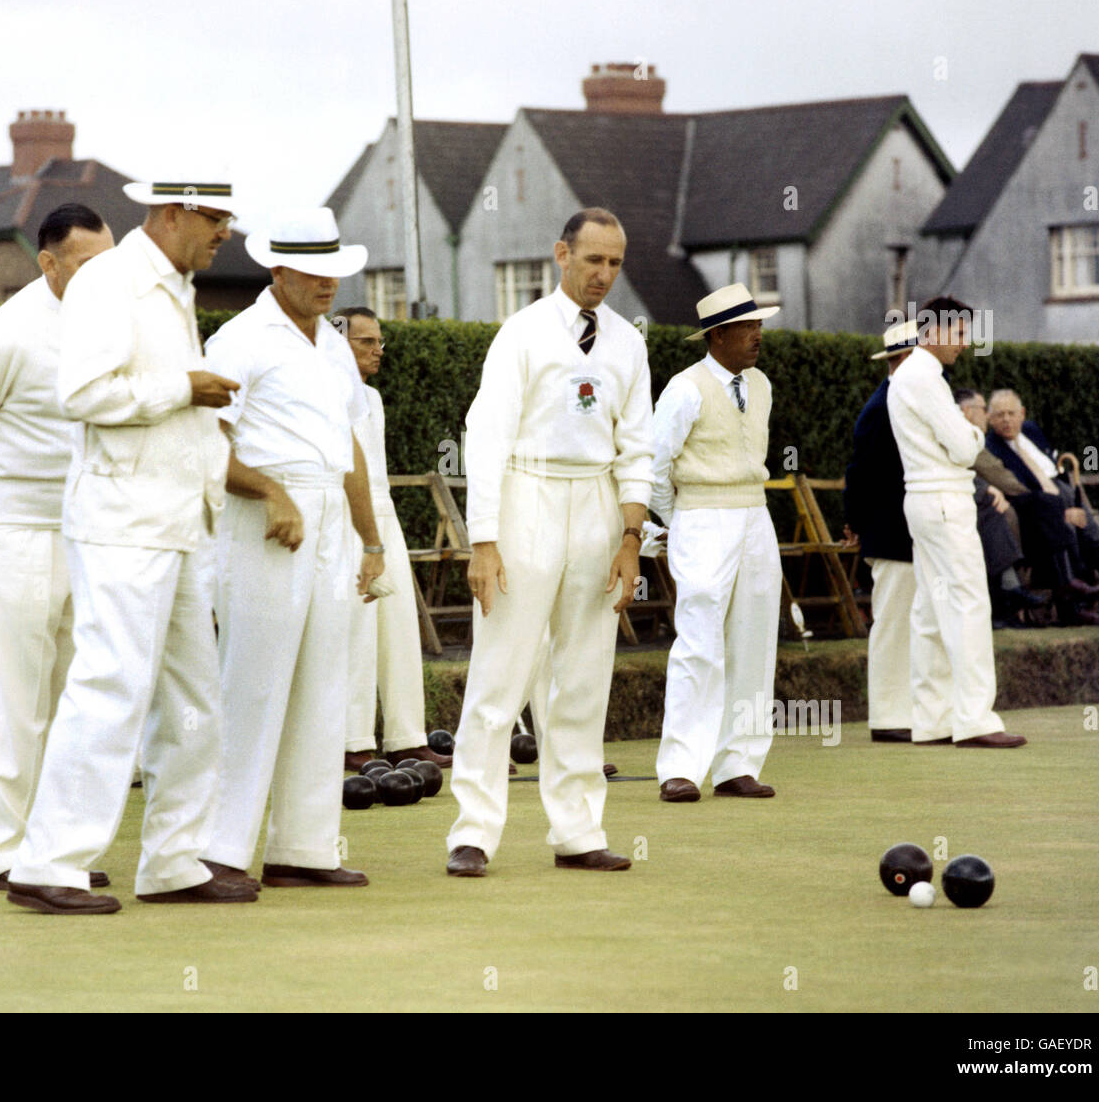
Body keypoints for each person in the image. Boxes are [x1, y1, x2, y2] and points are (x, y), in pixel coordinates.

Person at [6, 180, 256, 913]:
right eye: (214, 219)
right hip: (120, 521)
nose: (223, 234)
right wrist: (184, 387)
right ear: (173, 211)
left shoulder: (172, 284)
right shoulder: (109, 282)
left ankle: (173, 861)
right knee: (110, 685)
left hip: (177, 523)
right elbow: (81, 393)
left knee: (192, 700)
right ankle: (49, 862)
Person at [445, 207, 653, 877]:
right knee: (500, 673)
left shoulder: (628, 342)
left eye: (615, 263)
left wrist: (630, 538)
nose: (604, 274)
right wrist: (484, 540)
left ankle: (578, 830)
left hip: (595, 504)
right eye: (593, 259)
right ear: (562, 253)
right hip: (525, 496)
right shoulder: (523, 333)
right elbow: (487, 436)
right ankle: (473, 831)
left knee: (583, 678)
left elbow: (638, 445)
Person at [0, 203, 114, 889]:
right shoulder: (2, 337)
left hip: (88, 532)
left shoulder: (110, 328)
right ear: (49, 263)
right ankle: (7, 854)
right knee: (21, 697)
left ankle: (59, 849)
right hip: (17, 531)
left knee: (79, 696)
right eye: (90, 264)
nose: (106, 276)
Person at [202, 208, 383, 890]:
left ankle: (303, 848)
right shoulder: (239, 338)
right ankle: (216, 850)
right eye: (313, 269)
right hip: (264, 522)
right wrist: (272, 493)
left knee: (322, 682)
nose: (328, 282)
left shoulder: (334, 347)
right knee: (251, 681)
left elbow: (351, 449)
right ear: (276, 269)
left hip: (332, 516)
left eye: (335, 268)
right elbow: (203, 443)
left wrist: (372, 541)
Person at [652, 283, 783, 801]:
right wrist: (673, 521)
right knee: (699, 640)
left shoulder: (763, 385)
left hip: (755, 515)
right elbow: (655, 465)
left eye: (758, 324)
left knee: (754, 643)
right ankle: (680, 767)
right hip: (702, 517)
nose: (758, 334)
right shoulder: (684, 388)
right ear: (719, 334)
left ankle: (737, 764)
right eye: (748, 326)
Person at [886, 297, 1026, 748]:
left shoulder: (911, 375)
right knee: (968, 604)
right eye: (961, 334)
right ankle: (975, 720)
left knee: (929, 610)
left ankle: (933, 720)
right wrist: (972, 431)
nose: (965, 344)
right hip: (944, 500)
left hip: (926, 501)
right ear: (936, 331)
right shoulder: (925, 377)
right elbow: (966, 449)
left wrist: (965, 433)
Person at [333, 307, 452, 771]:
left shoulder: (374, 398)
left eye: (380, 341)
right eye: (367, 341)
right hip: (345, 518)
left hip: (384, 514)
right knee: (357, 629)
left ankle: (406, 738)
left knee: (399, 624)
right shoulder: (325, 393)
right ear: (340, 343)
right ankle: (353, 742)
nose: (378, 350)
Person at [986, 389, 1099, 624]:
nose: (1006, 420)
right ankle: (1078, 608)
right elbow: (1020, 492)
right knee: (1084, 541)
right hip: (1041, 512)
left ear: (1022, 414)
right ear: (989, 417)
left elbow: (1057, 468)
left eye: (1011, 413)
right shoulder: (991, 448)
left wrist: (1074, 503)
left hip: (1067, 496)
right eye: (999, 415)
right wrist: (1062, 510)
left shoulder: (1031, 431)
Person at [842, 320, 918, 741]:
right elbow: (860, 471)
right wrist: (854, 521)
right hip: (890, 533)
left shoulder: (900, 400)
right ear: (903, 360)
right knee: (892, 622)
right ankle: (889, 718)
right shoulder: (880, 407)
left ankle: (909, 711)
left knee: (910, 622)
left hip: (908, 531)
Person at [952, 388, 1050, 628]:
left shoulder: (974, 437)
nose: (989, 416)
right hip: (951, 506)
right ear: (966, 412)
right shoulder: (966, 437)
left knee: (1002, 509)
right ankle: (1011, 594)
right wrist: (985, 488)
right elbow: (961, 470)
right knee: (1005, 510)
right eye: (985, 409)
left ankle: (1012, 594)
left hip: (972, 501)